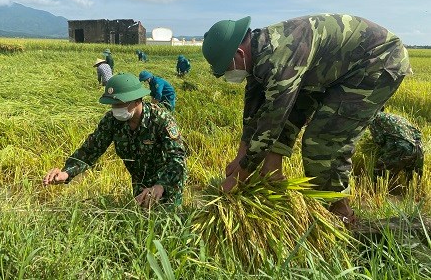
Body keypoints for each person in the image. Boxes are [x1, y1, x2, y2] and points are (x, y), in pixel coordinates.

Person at [202, 14, 412, 225]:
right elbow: (253, 111)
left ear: (239, 53)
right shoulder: (258, 57)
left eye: (228, 69)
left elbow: (273, 120)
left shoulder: (280, 58)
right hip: (334, 70)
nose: (229, 75)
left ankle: (340, 212)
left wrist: (241, 175)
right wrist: (241, 155)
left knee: (322, 140)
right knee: (291, 117)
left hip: (377, 60)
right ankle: (273, 175)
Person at [43, 73, 187, 206]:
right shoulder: (112, 121)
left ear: (137, 100)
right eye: (112, 104)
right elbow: (90, 150)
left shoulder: (161, 119)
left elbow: (177, 158)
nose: (115, 109)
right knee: (141, 224)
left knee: (167, 225)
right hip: (140, 182)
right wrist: (66, 172)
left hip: (168, 181)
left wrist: (160, 185)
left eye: (119, 104)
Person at [368, 109, 424, 182]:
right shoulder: (396, 117)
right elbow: (417, 133)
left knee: (379, 177)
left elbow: (379, 140)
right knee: (414, 183)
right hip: (418, 149)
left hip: (400, 149)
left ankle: (374, 191)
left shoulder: (374, 119)